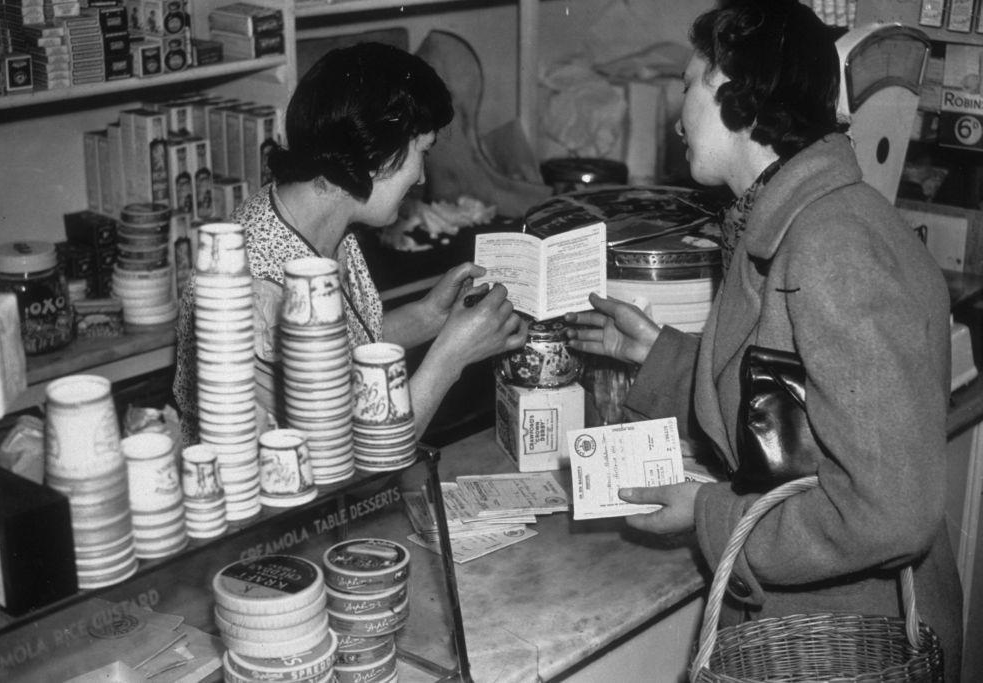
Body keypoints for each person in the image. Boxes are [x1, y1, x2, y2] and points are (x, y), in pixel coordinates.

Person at [565, 1, 963, 678]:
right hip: (821, 628)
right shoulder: (796, 221)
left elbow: (890, 510)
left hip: (846, 645)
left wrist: (709, 515)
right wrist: (659, 356)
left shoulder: (832, 247)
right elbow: (803, 394)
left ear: (732, 92)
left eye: (688, 84)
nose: (676, 114)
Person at [173, 42, 527, 445]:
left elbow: (334, 353)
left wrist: (429, 316)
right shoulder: (255, 293)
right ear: (379, 153)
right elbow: (350, 462)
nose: (422, 179)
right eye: (421, 153)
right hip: (279, 502)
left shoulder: (317, 216)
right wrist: (451, 356)